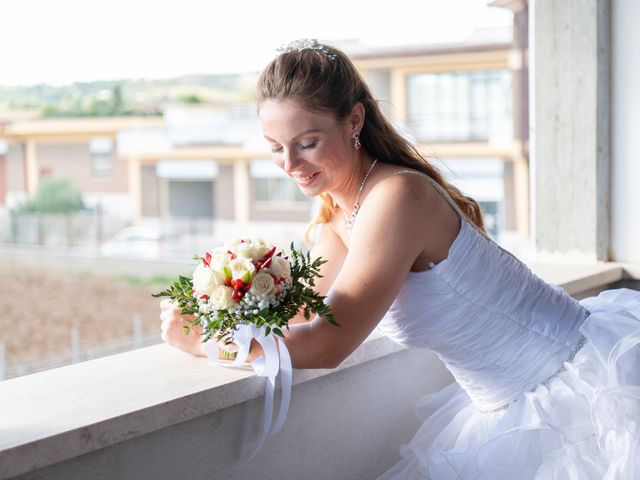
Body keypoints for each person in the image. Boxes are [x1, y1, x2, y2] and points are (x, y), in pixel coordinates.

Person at [160, 39, 640, 478]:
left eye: (306, 143)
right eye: (275, 148)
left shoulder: (396, 197)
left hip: (575, 391)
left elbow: (328, 345)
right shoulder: (338, 216)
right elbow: (302, 313)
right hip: (502, 406)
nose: (289, 164)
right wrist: (223, 305)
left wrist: (206, 346)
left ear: (354, 121)